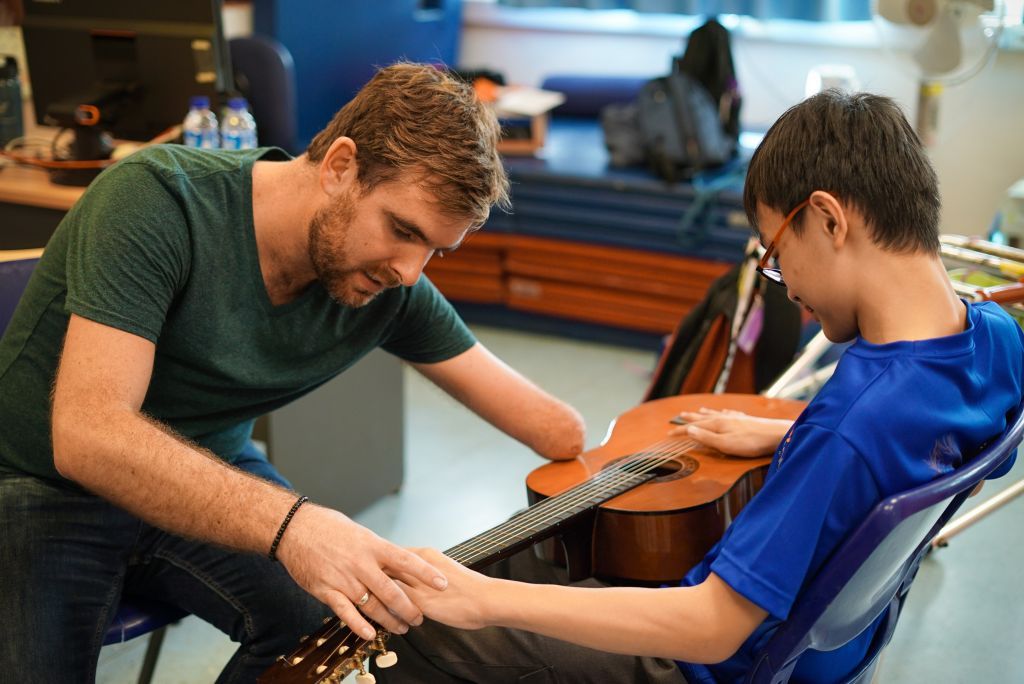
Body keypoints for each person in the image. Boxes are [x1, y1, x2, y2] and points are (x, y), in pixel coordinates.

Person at [378, 90, 1024, 683]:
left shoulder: (847, 430)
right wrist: (787, 434)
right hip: (836, 651)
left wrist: (483, 601)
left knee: (422, 629)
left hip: (716, 667)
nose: (788, 287)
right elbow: (925, 445)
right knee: (542, 537)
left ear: (828, 221)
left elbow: (713, 627)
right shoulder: (994, 337)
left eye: (774, 255)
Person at [0, 63, 586, 682]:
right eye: (403, 230)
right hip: (40, 481)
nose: (410, 272)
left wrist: (677, 436)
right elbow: (87, 434)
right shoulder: (155, 199)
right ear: (339, 166)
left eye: (435, 250)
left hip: (206, 466)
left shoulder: (394, 286)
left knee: (337, 629)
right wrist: (295, 526)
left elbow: (558, 432)